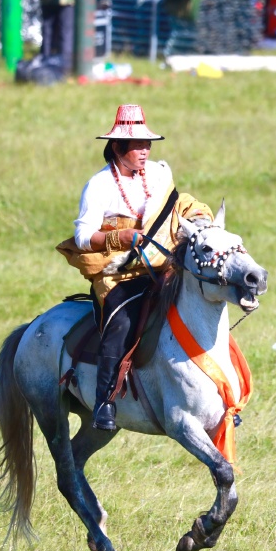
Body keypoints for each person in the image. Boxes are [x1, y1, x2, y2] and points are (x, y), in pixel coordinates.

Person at [57, 105, 213, 431]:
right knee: (121, 320)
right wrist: (121, 237)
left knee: (199, 301)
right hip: (117, 271)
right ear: (117, 148)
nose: (145, 151)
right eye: (137, 145)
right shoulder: (99, 185)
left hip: (158, 263)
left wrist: (198, 220)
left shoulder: (157, 174)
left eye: (147, 144)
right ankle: (104, 401)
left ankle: (218, 392)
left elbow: (177, 203)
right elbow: (83, 237)